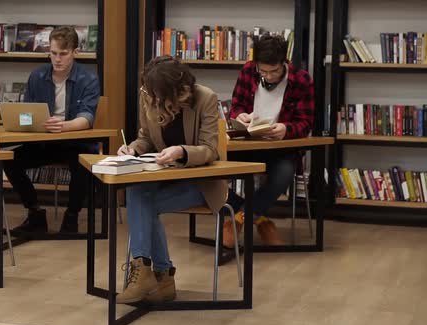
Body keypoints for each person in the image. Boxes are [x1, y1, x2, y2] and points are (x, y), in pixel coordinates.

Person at [116, 56, 227, 304]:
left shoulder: (205, 98)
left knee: (142, 203)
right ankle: (157, 276)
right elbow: (146, 137)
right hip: (164, 176)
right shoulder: (150, 96)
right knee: (136, 191)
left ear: (175, 91)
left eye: (159, 95)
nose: (153, 99)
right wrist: (133, 149)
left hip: (201, 182)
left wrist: (182, 151)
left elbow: (210, 149)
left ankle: (156, 274)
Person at [4, 26, 100, 235]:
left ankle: (72, 216)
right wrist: (29, 122)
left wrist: (64, 126)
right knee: (8, 159)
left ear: (75, 52)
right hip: (44, 142)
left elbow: (87, 118)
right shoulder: (37, 76)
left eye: (63, 54)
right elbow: (26, 113)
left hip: (76, 142)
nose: (57, 59)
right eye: (53, 53)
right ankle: (35, 213)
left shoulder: (88, 79)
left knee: (81, 162)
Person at [224, 35, 314, 247]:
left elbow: (306, 122)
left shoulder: (301, 80)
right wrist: (240, 116)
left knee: (284, 172)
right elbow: (236, 106)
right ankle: (257, 217)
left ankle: (239, 218)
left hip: (280, 148)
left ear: (284, 62)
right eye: (263, 71)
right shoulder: (248, 71)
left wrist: (286, 129)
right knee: (210, 167)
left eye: (274, 71)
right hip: (246, 143)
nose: (269, 76)